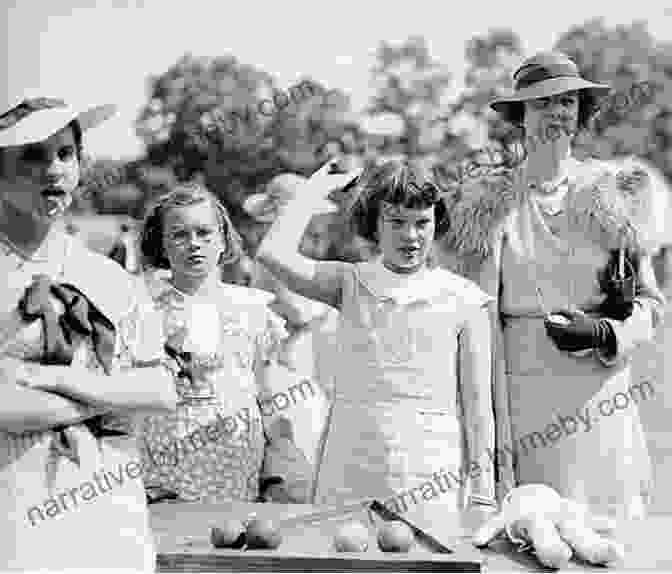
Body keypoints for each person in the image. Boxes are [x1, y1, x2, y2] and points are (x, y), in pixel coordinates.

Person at [436, 52, 667, 520]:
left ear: (580, 112)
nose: (557, 113)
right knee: (530, 533)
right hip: (520, 393)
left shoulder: (613, 191)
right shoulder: (488, 201)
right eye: (542, 103)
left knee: (604, 534)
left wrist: (608, 332)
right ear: (521, 116)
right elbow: (466, 312)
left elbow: (651, 305)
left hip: (599, 389)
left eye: (567, 102)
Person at [257, 158, 498, 519]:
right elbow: (271, 254)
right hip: (352, 465)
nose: (411, 236)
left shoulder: (465, 299)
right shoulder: (350, 282)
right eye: (396, 222)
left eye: (422, 222)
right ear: (374, 223)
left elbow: (479, 409)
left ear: (437, 222)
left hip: (432, 470)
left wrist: (483, 494)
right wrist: (311, 193)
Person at [0, 94, 179, 570]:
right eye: (33, 156)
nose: (54, 170)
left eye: (65, 154)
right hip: (15, 493)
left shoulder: (109, 276)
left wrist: (59, 380)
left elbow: (159, 389)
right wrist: (112, 397)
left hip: (107, 494)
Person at [136, 181, 313, 504]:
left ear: (222, 241)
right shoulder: (143, 310)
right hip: (164, 468)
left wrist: (283, 453)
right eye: (179, 235)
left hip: (236, 464)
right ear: (161, 245)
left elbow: (268, 393)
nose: (194, 244)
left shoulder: (251, 310)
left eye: (204, 233)